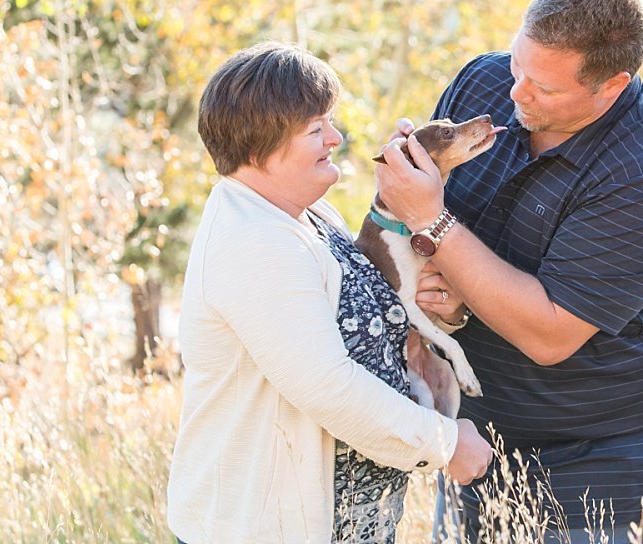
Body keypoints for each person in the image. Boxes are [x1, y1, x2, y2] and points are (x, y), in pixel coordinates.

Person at [376, 0, 643, 543]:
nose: (514, 93)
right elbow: (414, 223)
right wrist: (442, 295)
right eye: (518, 64)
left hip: (598, 449)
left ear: (613, 85)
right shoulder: (484, 81)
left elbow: (549, 333)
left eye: (543, 88)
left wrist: (433, 222)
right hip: (478, 427)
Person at [167, 42, 492, 544]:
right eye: (316, 129)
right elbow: (327, 386)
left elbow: (382, 308)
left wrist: (441, 309)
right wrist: (445, 443)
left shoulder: (310, 217)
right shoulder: (255, 243)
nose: (336, 138)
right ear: (260, 146)